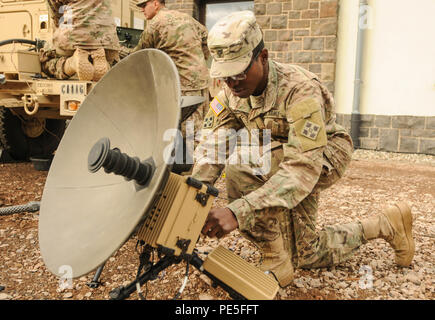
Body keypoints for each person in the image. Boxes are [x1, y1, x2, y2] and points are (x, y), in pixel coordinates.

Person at [191, 11, 415, 287]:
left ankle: (274, 258)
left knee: (243, 163)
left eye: (239, 72)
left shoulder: (299, 89)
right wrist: (192, 202)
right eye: (225, 76)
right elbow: (212, 150)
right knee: (307, 253)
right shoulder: (229, 96)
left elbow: (302, 168)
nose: (232, 83)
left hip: (323, 156)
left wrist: (238, 211)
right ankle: (383, 224)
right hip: (279, 161)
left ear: (263, 57)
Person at [134, 0, 211, 168]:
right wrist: (198, 62)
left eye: (143, 5)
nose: (141, 10)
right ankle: (203, 172)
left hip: (182, 87)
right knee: (200, 132)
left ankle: (187, 178)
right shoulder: (187, 18)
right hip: (202, 82)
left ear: (155, 3)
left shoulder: (154, 25)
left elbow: (140, 56)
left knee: (183, 135)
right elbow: (207, 39)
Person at [40, 0, 120, 81]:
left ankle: (72, 63)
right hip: (107, 39)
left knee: (45, 62)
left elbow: (57, 16)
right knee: (115, 63)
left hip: (74, 37)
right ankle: (105, 64)